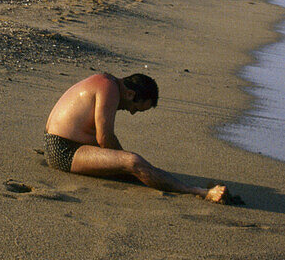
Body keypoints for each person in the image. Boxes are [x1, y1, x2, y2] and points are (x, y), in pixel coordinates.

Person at [44, 72, 228, 202]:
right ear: (130, 94)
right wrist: (123, 161)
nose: (131, 113)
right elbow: (104, 138)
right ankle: (198, 191)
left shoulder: (104, 81)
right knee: (132, 162)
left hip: (58, 142)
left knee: (134, 167)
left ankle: (157, 177)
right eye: (136, 108)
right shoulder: (108, 88)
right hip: (65, 151)